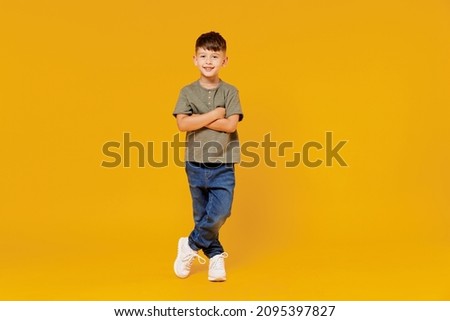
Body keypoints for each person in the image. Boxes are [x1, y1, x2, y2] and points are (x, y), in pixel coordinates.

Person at [172, 31, 243, 282]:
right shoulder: (187, 92)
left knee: (220, 213)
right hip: (195, 163)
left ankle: (189, 245)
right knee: (202, 216)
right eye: (203, 55)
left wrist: (198, 120)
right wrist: (215, 115)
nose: (208, 60)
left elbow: (231, 126)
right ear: (195, 59)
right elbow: (183, 125)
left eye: (215, 56)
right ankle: (215, 258)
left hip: (223, 163)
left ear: (224, 61)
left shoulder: (230, 92)